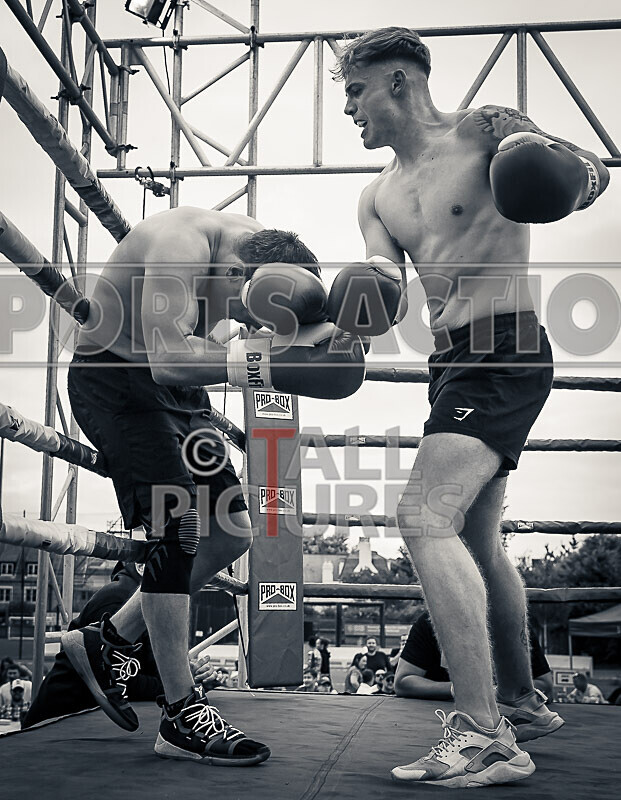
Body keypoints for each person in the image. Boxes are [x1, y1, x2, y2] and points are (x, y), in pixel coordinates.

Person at [333, 26, 608, 787]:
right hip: (448, 366)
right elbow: (382, 287)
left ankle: (487, 735)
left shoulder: (486, 129)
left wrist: (552, 163)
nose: (348, 109)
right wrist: (344, 313)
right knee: (479, 547)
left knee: (422, 517)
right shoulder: (375, 194)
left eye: (353, 90)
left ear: (396, 79)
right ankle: (520, 703)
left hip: (508, 348)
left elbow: (587, 176)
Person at [61, 207, 366, 767]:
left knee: (231, 533)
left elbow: (265, 337)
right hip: (118, 378)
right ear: (237, 277)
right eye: (244, 310)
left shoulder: (268, 265)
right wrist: (264, 362)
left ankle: (108, 639)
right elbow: (170, 360)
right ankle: (180, 714)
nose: (244, 324)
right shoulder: (179, 245)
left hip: (179, 396)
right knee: (177, 527)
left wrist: (327, 339)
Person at [22, 563, 162, 728]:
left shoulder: (130, 597)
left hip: (77, 720)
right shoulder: (119, 600)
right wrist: (172, 684)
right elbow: (122, 679)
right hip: (60, 720)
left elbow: (138, 672)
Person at [394, 612, 556, 729]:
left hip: (505, 720)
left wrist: (495, 693)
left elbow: (544, 684)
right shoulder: (430, 621)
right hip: (437, 722)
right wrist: (464, 690)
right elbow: (404, 681)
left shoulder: (512, 622)